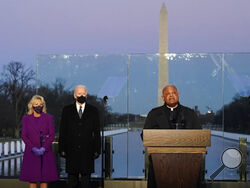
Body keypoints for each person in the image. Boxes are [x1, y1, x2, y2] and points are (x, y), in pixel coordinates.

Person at [143, 85, 201, 188]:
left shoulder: (190, 114)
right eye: (167, 94)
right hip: (160, 163)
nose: (171, 96)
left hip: (187, 163)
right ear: (162, 97)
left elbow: (199, 136)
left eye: (173, 93)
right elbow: (145, 135)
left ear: (178, 95)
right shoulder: (154, 114)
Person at [59, 85, 101, 188]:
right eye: (79, 94)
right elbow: (62, 131)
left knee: (86, 182)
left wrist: (97, 150)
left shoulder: (93, 110)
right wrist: (62, 149)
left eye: (83, 94)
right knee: (72, 182)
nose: (81, 95)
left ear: (86, 95)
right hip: (71, 151)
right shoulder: (67, 110)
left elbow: (96, 132)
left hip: (87, 152)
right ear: (74, 95)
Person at [19, 95, 59, 188]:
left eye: (40, 104)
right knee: (32, 180)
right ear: (32, 105)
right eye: (36, 104)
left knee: (44, 180)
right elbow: (24, 135)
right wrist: (33, 148)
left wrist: (43, 148)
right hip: (31, 152)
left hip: (45, 152)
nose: (38, 106)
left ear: (43, 105)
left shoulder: (49, 117)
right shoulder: (26, 118)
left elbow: (52, 135)